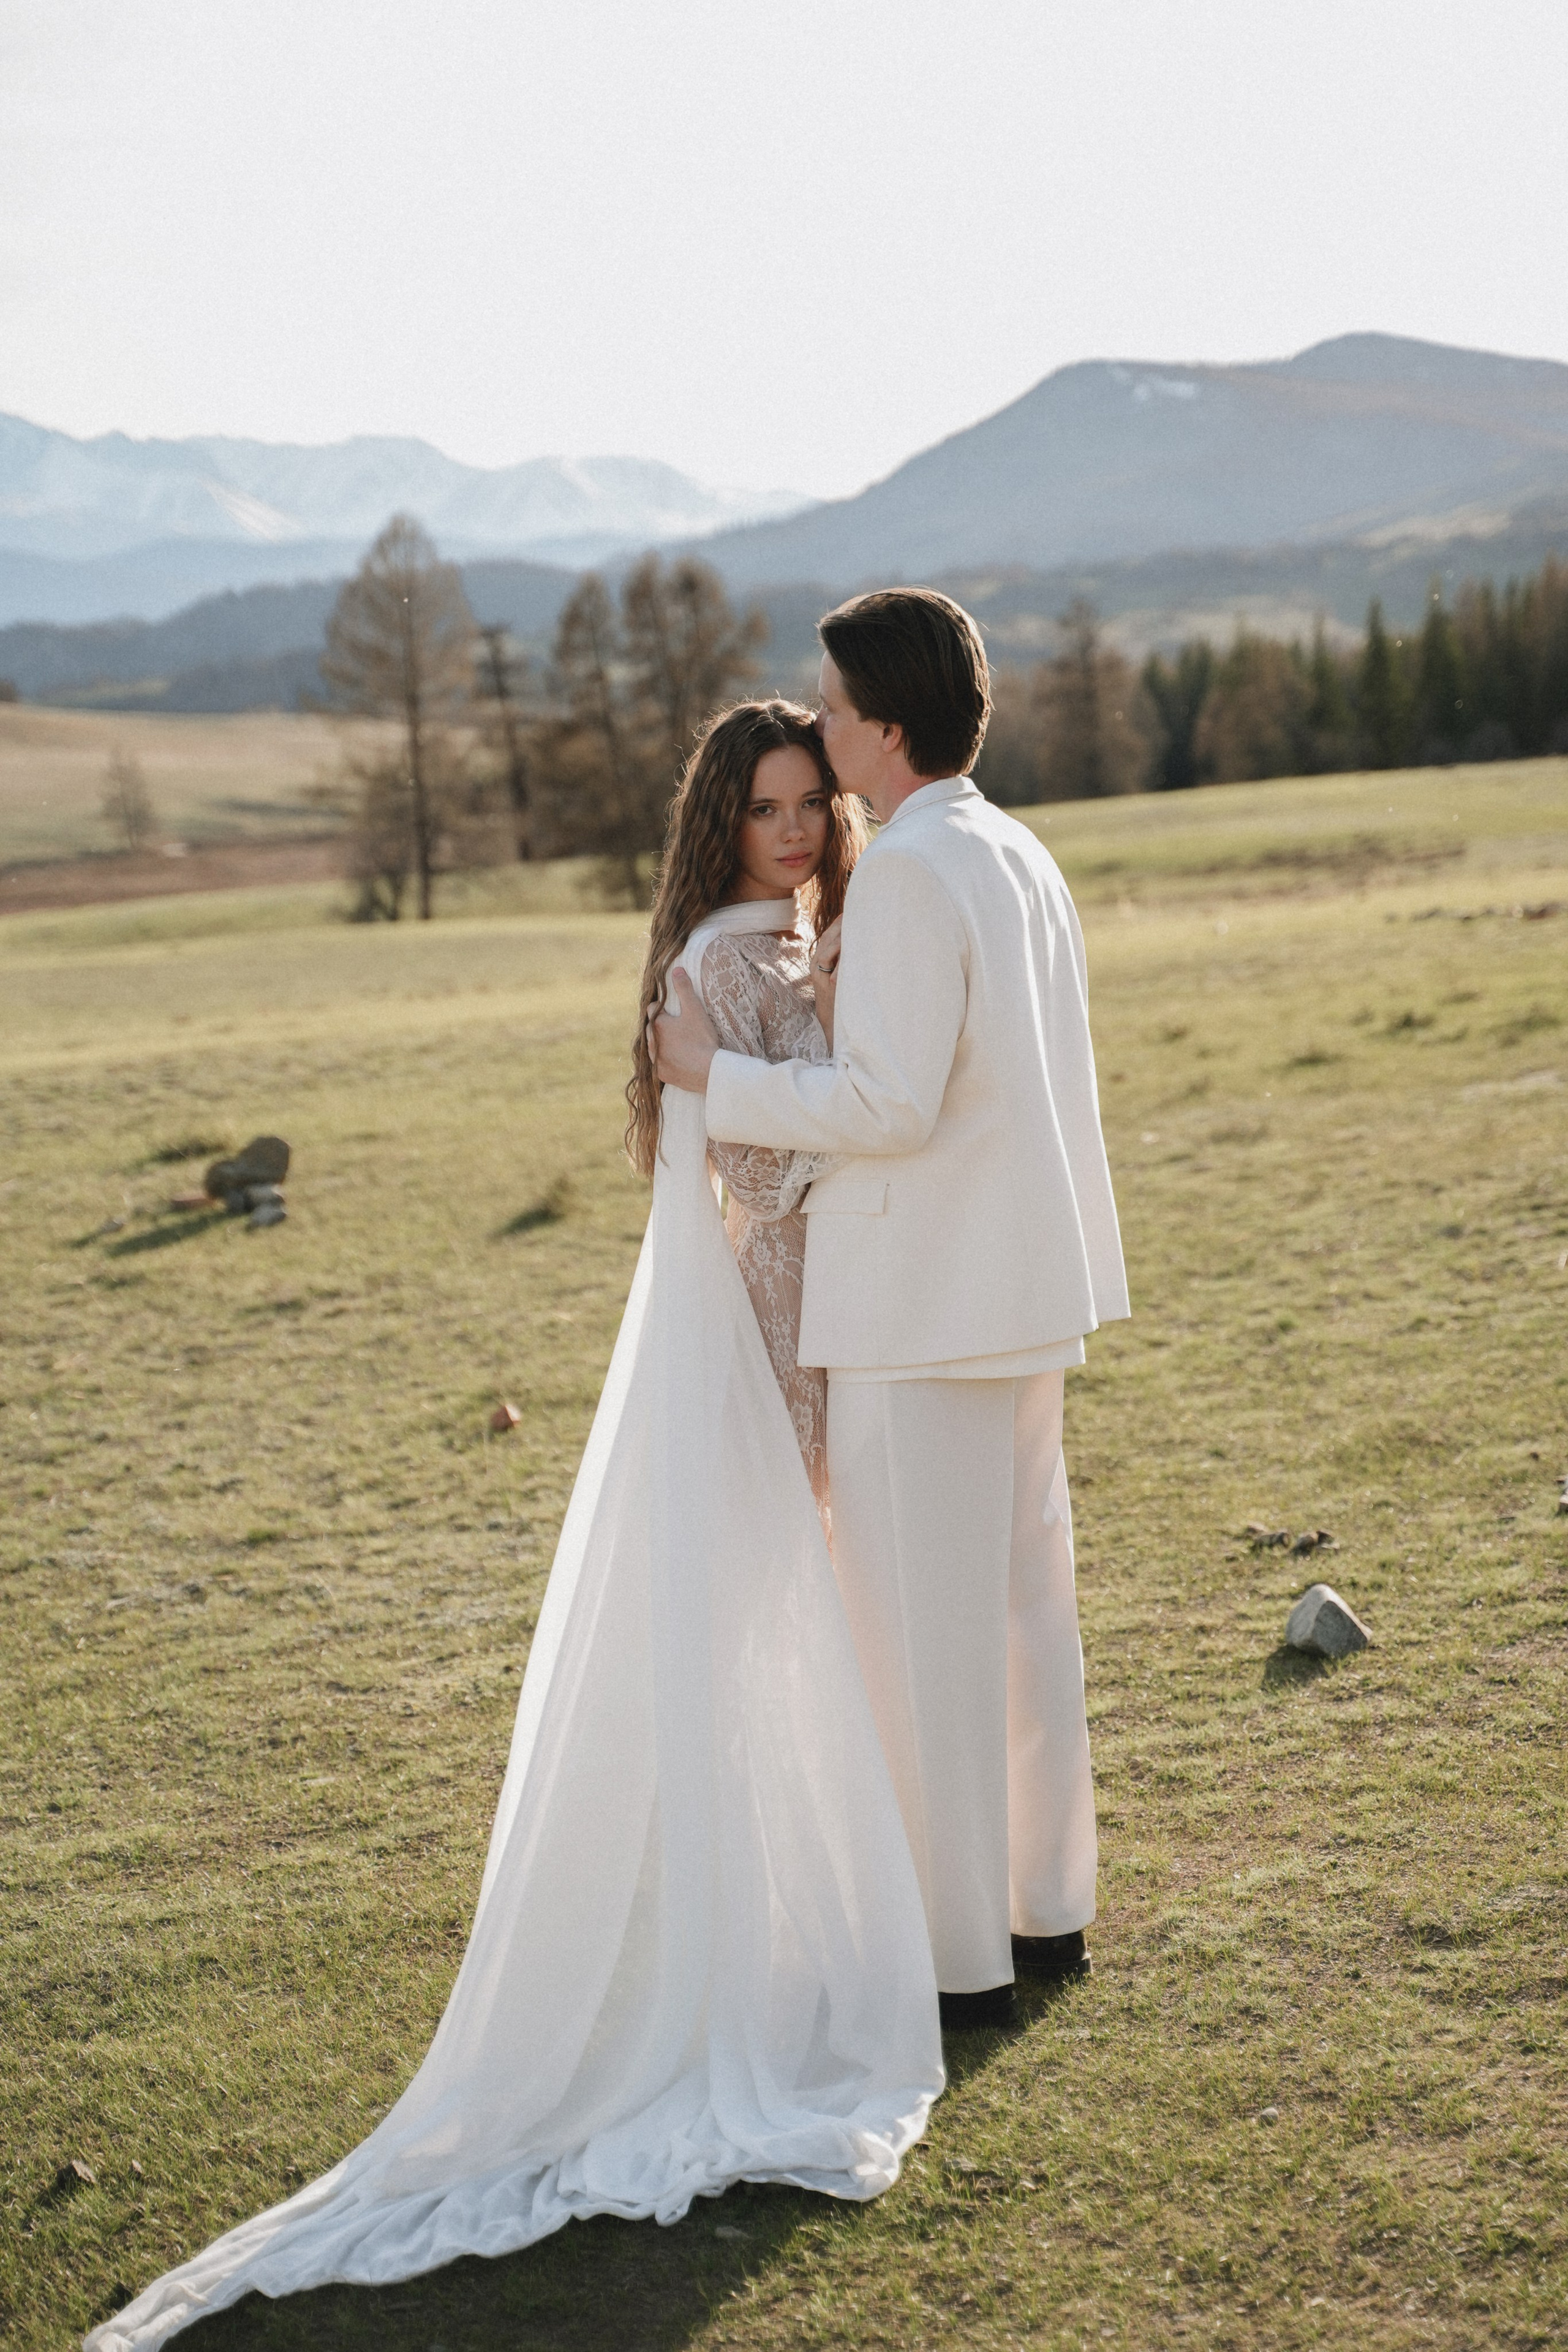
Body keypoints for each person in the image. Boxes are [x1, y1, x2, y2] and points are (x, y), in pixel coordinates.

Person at [90, 703, 940, 2352]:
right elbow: (760, 1187)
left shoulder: (825, 933)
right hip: (765, 1348)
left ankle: (792, 1944)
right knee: (764, 1633)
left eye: (806, 805)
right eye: (763, 808)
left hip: (832, 1339)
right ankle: (739, 1982)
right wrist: (804, 1063)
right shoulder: (723, 960)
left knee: (795, 1641)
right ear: (722, 824)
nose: (790, 831)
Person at [654, 589, 1129, 2030]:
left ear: (890, 725)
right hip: (1019, 1294)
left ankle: (952, 1964)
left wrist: (712, 1079)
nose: (827, 724)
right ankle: (1044, 1914)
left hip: (922, 1307)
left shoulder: (918, 871)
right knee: (1021, 1616)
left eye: (839, 707)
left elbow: (890, 1102)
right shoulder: (1012, 846)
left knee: (919, 1644)